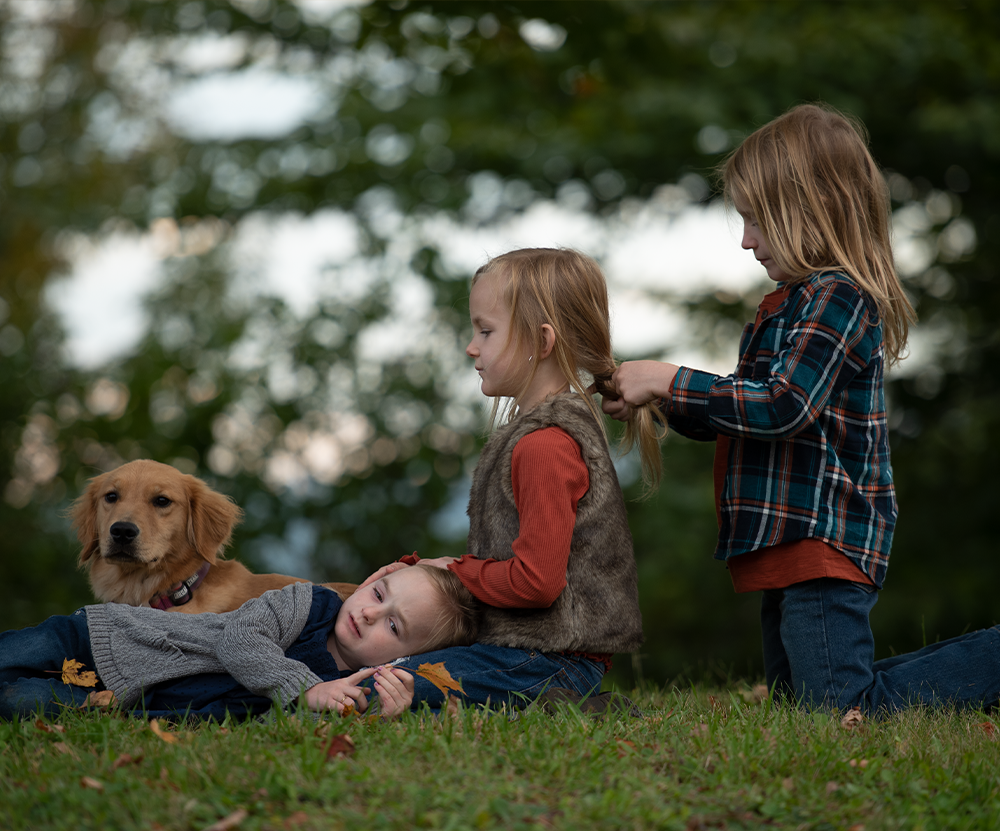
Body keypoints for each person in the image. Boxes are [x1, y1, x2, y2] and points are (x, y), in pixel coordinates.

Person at [602, 102, 1000, 713]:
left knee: (839, 709)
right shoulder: (789, 305)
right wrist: (659, 396)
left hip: (821, 537)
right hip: (783, 538)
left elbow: (784, 406)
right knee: (803, 705)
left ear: (809, 211)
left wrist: (672, 377)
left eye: (756, 219)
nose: (746, 240)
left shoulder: (837, 297)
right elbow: (744, 410)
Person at [364, 247, 660, 711]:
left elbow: (536, 583)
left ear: (541, 342)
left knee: (384, 683)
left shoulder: (545, 445)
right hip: (532, 653)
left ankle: (560, 703)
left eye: (486, 330)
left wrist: (455, 571)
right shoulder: (535, 435)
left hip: (551, 659)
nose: (471, 345)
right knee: (385, 662)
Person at [0, 562, 479, 721]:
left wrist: (381, 710)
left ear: (403, 656)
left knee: (20, 701)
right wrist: (305, 688)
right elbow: (241, 642)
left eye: (393, 627)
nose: (370, 613)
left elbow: (324, 724)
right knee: (18, 651)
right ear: (374, 579)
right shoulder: (305, 604)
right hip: (111, 638)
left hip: (120, 699)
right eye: (378, 593)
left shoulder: (343, 683)